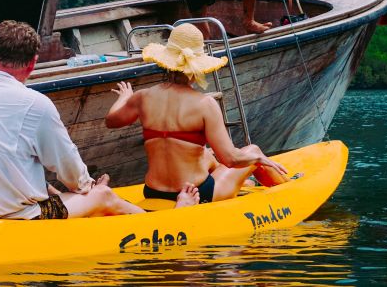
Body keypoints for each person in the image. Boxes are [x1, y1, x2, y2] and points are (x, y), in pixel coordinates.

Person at [0, 20, 199, 220]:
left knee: (49, 185)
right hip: (12, 217)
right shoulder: (34, 103)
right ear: (32, 64)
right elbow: (70, 168)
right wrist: (88, 187)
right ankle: (174, 219)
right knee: (102, 195)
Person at [105, 23, 288, 204]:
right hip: (198, 194)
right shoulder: (205, 104)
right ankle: (289, 188)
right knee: (252, 150)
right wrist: (257, 158)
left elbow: (111, 121)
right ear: (197, 68)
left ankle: (245, 183)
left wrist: (124, 97)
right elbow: (230, 159)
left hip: (153, 192)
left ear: (167, 63)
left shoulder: (143, 96)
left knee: (206, 155)